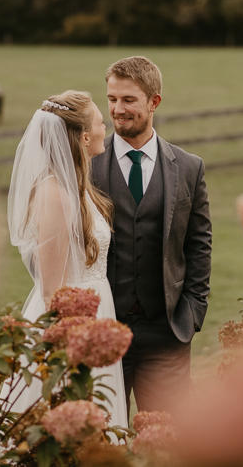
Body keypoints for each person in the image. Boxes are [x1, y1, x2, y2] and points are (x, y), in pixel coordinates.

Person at [90, 56, 212, 417]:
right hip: (104, 333)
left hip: (167, 334)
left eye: (128, 100)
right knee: (101, 442)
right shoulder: (87, 166)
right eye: (112, 99)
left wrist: (192, 312)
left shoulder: (189, 167)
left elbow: (199, 243)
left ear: (154, 102)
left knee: (167, 441)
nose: (117, 109)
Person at [7, 90, 128, 429]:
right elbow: (51, 293)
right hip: (74, 322)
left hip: (94, 310)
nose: (107, 127)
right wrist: (71, 348)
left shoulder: (75, 186)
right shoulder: (56, 195)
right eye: (101, 123)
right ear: (85, 136)